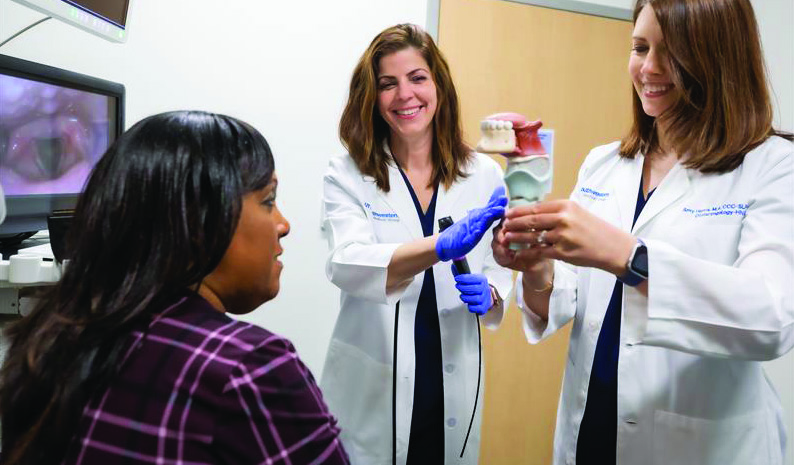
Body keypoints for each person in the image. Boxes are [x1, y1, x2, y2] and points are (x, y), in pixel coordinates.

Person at [493, 0, 794, 463]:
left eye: (670, 51)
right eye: (639, 47)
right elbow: (564, 300)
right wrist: (537, 268)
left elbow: (772, 318)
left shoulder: (773, 165)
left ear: (718, 56)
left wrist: (628, 257)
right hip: (590, 430)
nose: (648, 68)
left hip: (701, 445)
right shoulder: (605, 162)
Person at [0, 111, 349, 464]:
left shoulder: (48, 340)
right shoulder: (247, 368)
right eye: (268, 201)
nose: (283, 224)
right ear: (199, 221)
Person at [321, 24, 513, 464]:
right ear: (372, 97)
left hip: (451, 381)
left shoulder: (484, 174)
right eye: (387, 84)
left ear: (439, 86)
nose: (404, 95)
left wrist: (495, 291)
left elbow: (500, 264)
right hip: (372, 388)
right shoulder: (349, 173)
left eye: (417, 78)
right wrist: (436, 247)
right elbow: (347, 263)